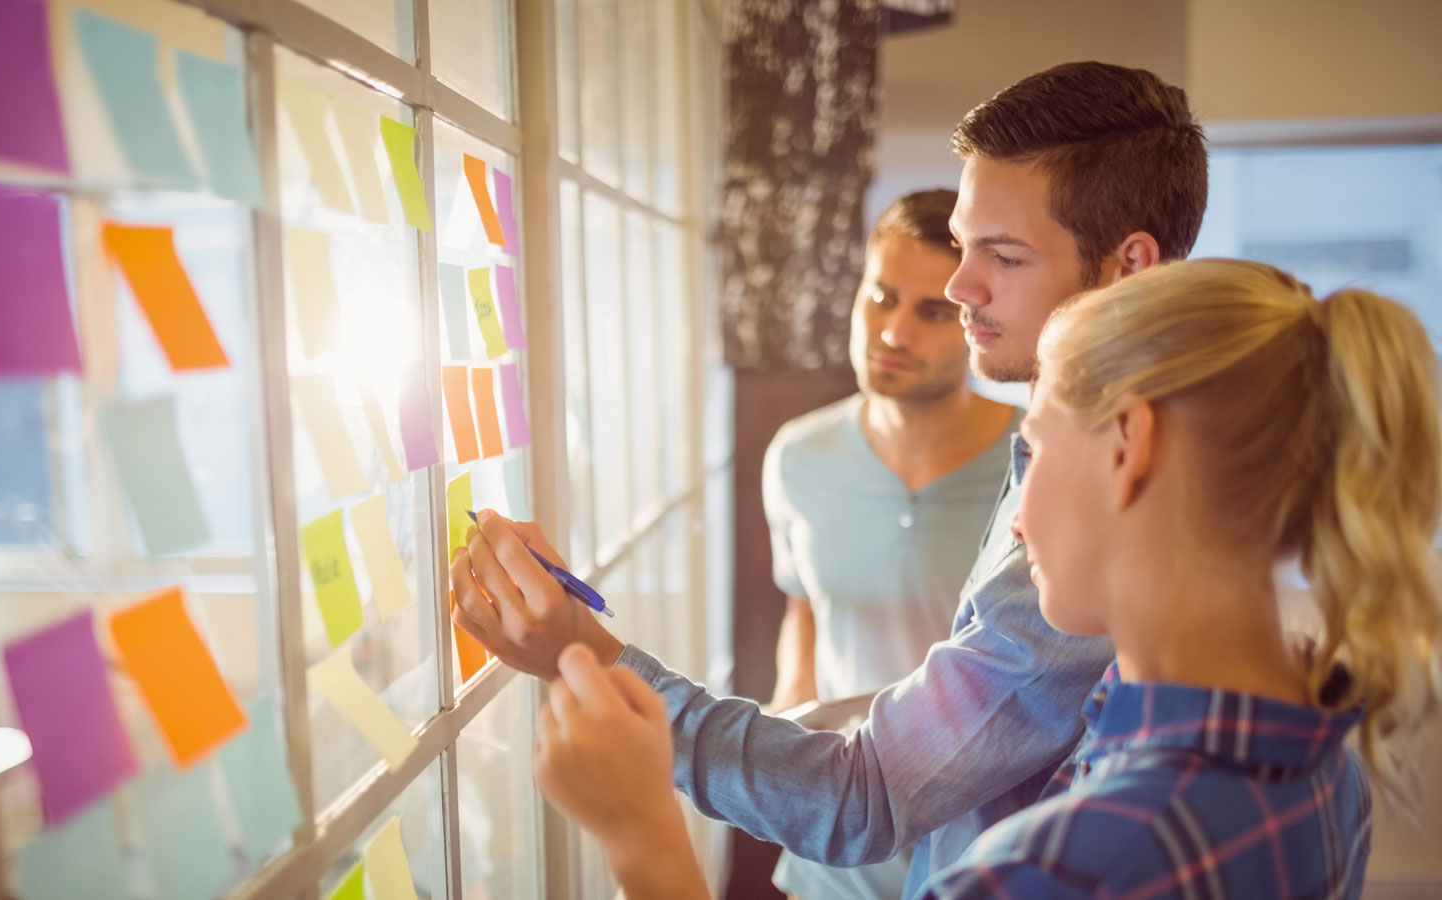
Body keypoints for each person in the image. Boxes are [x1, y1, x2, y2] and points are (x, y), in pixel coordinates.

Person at [450, 60, 1208, 897]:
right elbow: (932, 714)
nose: (960, 287)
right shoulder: (1056, 438)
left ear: (1128, 264)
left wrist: (583, 654)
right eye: (964, 246)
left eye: (1003, 254)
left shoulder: (1113, 495)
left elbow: (865, 794)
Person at [530, 259, 1442, 899]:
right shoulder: (1327, 756)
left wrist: (641, 836)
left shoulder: (1062, 871)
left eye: (1034, 450)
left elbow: (869, 789)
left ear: (1129, 448)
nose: (1015, 514)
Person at [763, 188, 1017, 899]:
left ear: (977, 321)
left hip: (978, 849)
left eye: (932, 312)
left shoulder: (1036, 465)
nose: (893, 333)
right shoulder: (796, 457)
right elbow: (806, 605)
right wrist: (791, 706)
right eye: (880, 298)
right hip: (833, 846)